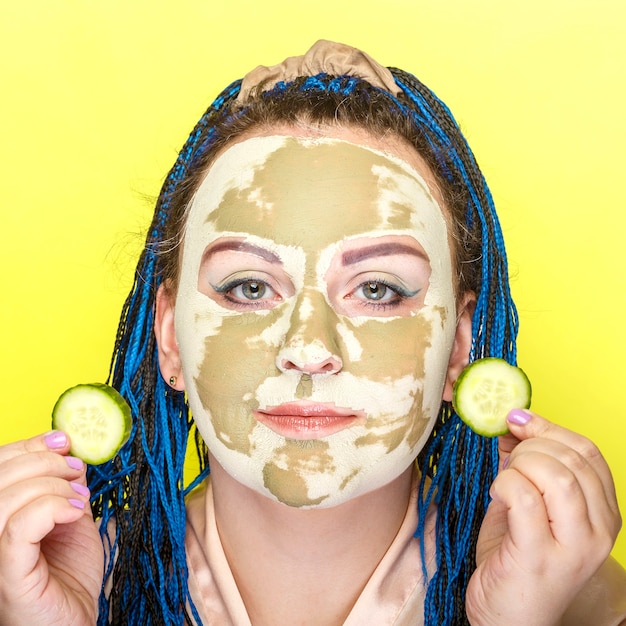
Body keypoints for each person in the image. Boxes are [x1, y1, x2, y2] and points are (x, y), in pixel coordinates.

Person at [0, 40, 624, 626]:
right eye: (248, 287)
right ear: (168, 336)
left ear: (459, 347)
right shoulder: (50, 582)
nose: (308, 349)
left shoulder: (569, 590)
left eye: (378, 290)